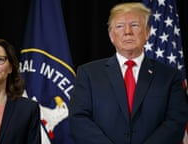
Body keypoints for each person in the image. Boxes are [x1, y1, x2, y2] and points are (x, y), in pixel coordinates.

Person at [69, 2, 188, 144]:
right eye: (120, 26)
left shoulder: (169, 76)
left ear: (147, 32)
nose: (127, 32)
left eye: (135, 25)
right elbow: (79, 119)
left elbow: (175, 121)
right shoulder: (88, 74)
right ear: (111, 35)